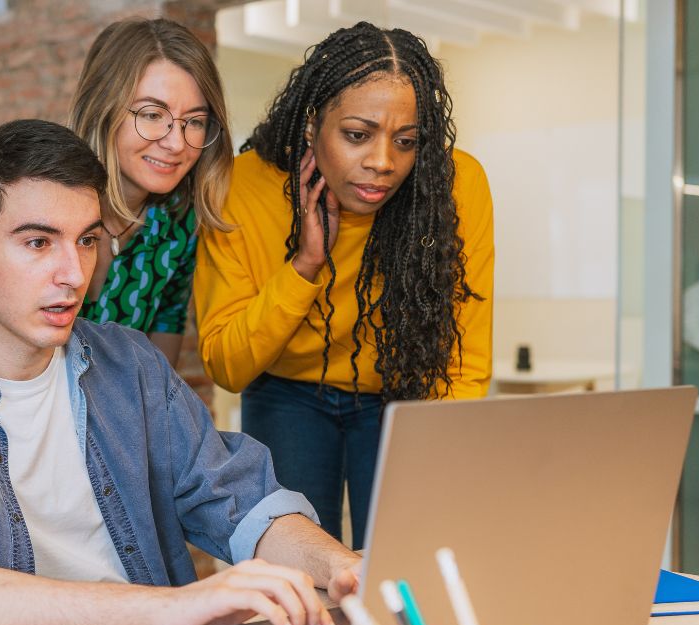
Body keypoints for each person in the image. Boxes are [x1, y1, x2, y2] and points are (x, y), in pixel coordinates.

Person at [0, 119, 362, 625]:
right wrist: (176, 606)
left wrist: (342, 566)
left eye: (86, 241)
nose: (74, 274)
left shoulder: (130, 363)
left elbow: (245, 502)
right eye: (38, 242)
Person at [194, 22, 494, 550]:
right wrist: (305, 264)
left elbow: (464, 360)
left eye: (406, 142)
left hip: (407, 393)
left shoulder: (455, 185)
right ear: (311, 125)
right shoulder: (241, 187)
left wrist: (448, 458)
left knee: (412, 562)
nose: (383, 162)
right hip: (286, 393)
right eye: (357, 135)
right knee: (296, 572)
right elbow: (227, 366)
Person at [0, 18, 232, 367]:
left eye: (194, 121)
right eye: (151, 114)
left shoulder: (181, 221)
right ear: (104, 106)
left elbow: (167, 322)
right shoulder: (9, 191)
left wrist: (147, 413)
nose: (176, 143)